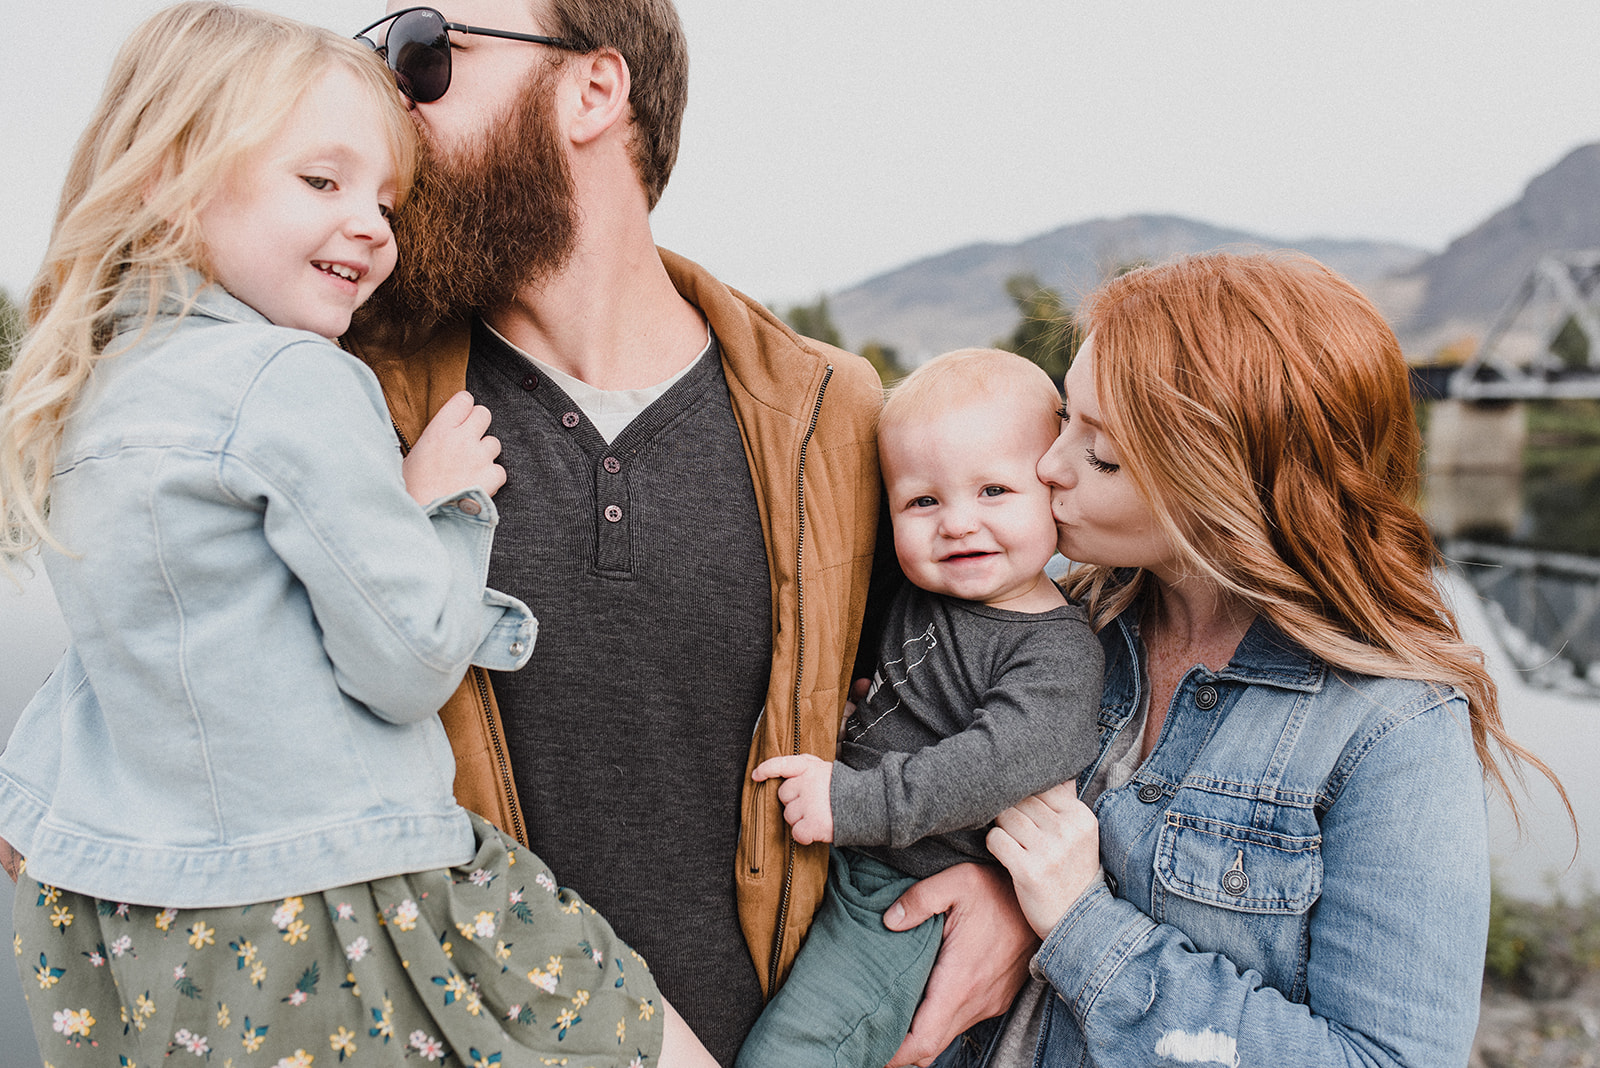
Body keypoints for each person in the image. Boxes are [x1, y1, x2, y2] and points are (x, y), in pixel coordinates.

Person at [0, 6, 717, 1066]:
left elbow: (132, 658)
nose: (376, 224)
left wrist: (30, 805)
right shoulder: (296, 381)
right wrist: (444, 503)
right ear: (171, 178)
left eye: (382, 196)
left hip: (142, 933)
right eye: (321, 183)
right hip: (347, 895)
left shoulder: (99, 389)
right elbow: (407, 658)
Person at [343, 3, 1038, 1062]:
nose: (387, 90)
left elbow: (976, 681)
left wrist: (1004, 889)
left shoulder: (832, 414)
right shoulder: (348, 393)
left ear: (592, 90)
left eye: (427, 52)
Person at [953, 252, 1573, 1066]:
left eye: (1101, 454)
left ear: (1228, 484)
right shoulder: (1046, 613)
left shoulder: (1390, 730)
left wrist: (1080, 925)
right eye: (1065, 418)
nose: (1049, 467)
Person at [736, 349, 1103, 1068]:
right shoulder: (923, 595)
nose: (958, 523)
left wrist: (854, 800)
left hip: (910, 895)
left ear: (1053, 491)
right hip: (854, 854)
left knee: (798, 1051)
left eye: (993, 490)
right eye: (923, 501)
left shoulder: (1056, 652)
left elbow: (991, 766)